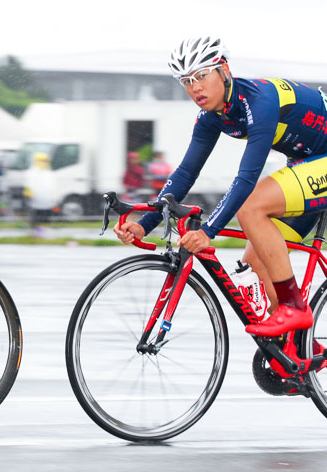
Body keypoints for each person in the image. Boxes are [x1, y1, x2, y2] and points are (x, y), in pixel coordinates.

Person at [114, 36, 327, 338]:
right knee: (258, 261)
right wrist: (144, 225)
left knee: (252, 206)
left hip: (318, 161)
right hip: (307, 163)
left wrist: (208, 231)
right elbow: (186, 172)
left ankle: (295, 307)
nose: (195, 87)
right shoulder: (211, 118)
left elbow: (248, 176)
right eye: (186, 81)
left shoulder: (260, 102)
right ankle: (299, 354)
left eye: (201, 75)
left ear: (223, 70)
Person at [23, 151, 57, 234]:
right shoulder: (34, 172)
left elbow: (51, 186)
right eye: (42, 161)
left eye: (44, 161)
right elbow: (29, 184)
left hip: (44, 200)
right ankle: (37, 231)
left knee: (42, 216)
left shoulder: (48, 173)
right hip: (36, 199)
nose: (43, 163)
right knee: (37, 216)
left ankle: (39, 230)